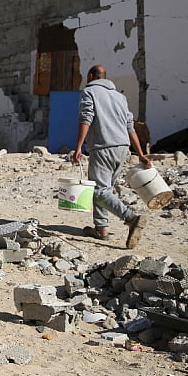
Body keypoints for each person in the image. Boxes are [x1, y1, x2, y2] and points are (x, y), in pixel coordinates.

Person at [73, 65, 151, 249]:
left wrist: (78, 147)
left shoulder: (89, 92)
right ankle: (102, 229)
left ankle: (131, 219)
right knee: (105, 190)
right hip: (122, 148)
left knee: (99, 191)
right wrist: (140, 153)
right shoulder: (120, 97)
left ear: (91, 76)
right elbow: (130, 126)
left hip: (102, 147)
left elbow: (86, 118)